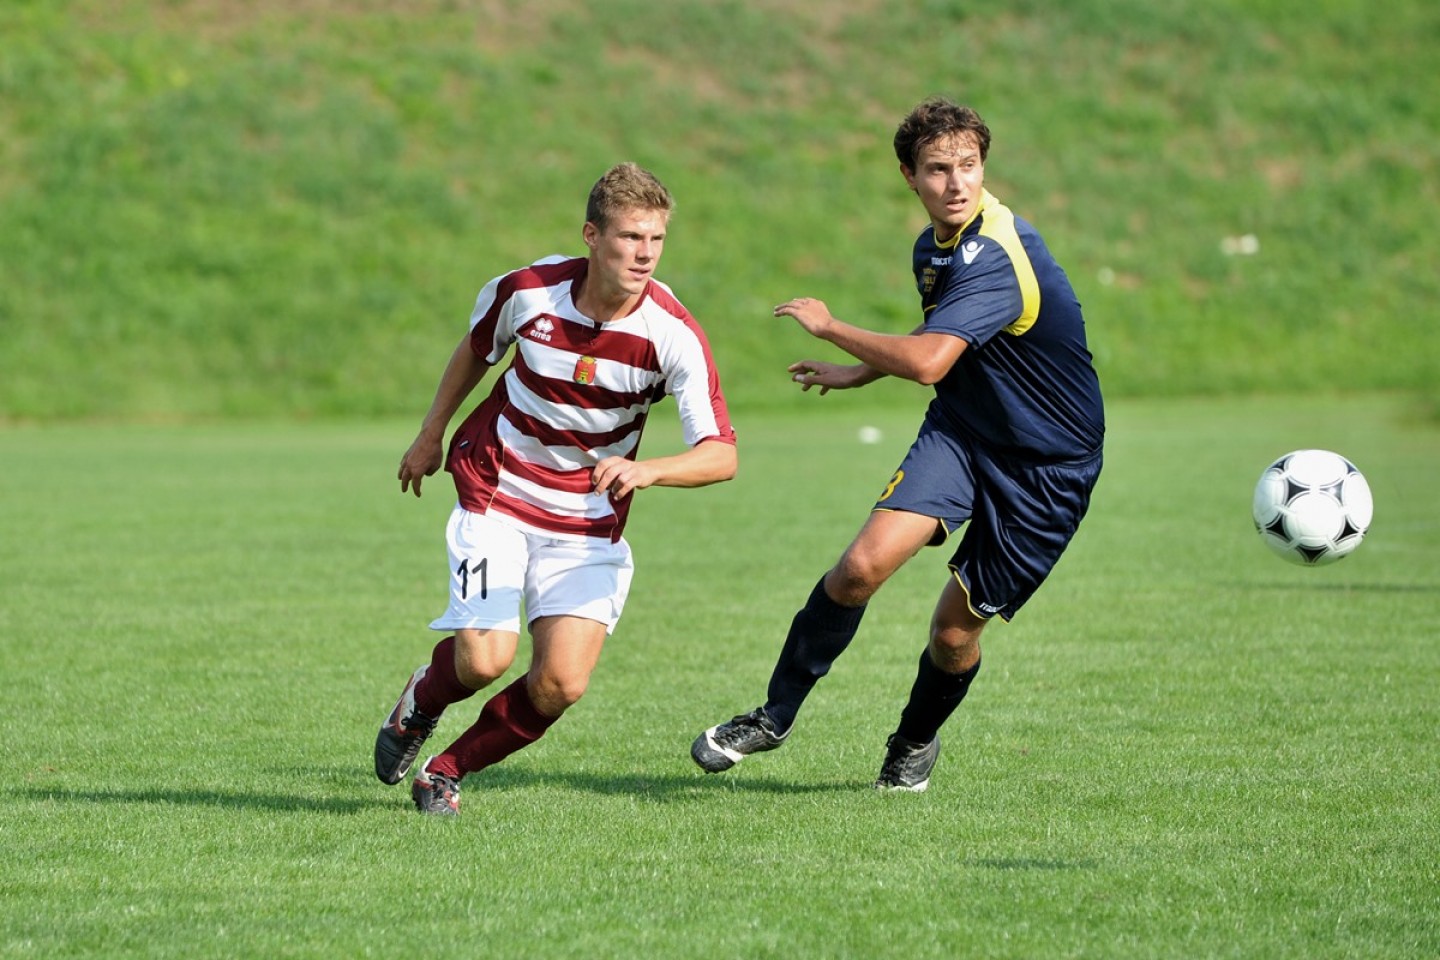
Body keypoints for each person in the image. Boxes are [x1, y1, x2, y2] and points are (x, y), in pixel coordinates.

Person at [690, 97, 1104, 792]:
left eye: (968, 166)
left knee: (952, 635)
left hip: (1046, 471)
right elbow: (944, 343)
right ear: (909, 176)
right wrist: (860, 370)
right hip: (964, 435)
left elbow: (928, 361)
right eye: (938, 169)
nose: (956, 182)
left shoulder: (996, 252)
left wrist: (832, 330)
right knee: (858, 568)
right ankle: (773, 716)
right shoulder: (933, 247)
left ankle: (914, 742)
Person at [375, 162, 737, 815]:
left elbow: (721, 455)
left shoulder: (672, 333)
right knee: (485, 659)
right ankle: (419, 704)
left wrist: (648, 469)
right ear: (591, 236)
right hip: (499, 489)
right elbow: (476, 351)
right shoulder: (529, 291)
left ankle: (445, 771)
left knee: (561, 683)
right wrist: (431, 434)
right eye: (629, 237)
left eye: (655, 240)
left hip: (588, 518)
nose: (644, 254)